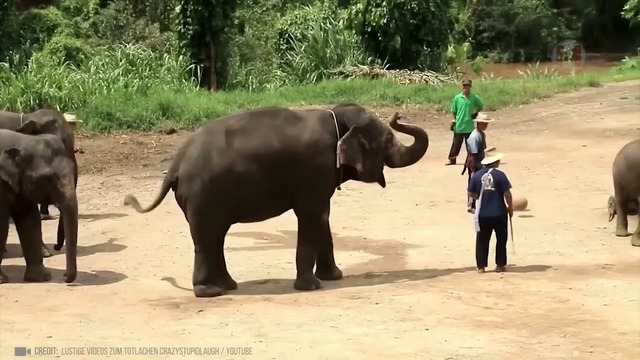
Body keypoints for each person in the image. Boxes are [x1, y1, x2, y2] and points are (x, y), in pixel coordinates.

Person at [467, 153, 513, 273]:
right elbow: (507, 193)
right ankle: (500, 265)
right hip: (499, 212)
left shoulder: (476, 176)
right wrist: (510, 207)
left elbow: (471, 194)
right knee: (501, 240)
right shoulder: (500, 175)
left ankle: (481, 266)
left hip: (482, 214)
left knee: (482, 240)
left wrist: (482, 197)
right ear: (495, 162)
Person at [446, 79, 484, 166]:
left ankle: (471, 160)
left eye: (467, 86)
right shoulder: (457, 98)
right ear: (462, 86)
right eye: (464, 86)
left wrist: (475, 113)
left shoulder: (473, 97)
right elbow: (454, 111)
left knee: (470, 145)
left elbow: (480, 106)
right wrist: (454, 121)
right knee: (456, 144)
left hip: (469, 126)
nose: (466, 87)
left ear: (470, 87)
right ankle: (452, 159)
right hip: (459, 125)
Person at [465, 112, 494, 213]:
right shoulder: (475, 136)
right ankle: (471, 205)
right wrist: (478, 165)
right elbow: (474, 152)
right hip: (475, 162)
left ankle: (477, 203)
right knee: (474, 182)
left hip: (480, 161)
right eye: (484, 123)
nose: (486, 125)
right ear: (479, 123)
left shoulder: (481, 134)